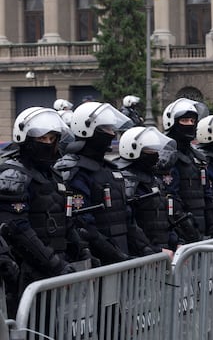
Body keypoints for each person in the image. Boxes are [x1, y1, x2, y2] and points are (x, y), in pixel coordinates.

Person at [0, 107, 90, 316]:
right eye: (43, 138)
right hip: (26, 275)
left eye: (52, 138)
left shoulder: (52, 175)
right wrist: (55, 265)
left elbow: (65, 218)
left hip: (54, 272)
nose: (49, 144)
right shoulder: (13, 174)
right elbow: (18, 230)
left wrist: (81, 249)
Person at [54, 102, 158, 265]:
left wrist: (147, 250)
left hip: (120, 261)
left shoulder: (110, 170)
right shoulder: (75, 171)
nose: (112, 133)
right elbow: (83, 226)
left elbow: (127, 220)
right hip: (96, 265)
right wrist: (116, 256)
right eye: (107, 129)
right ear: (88, 129)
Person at [158, 98, 213, 241]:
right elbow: (170, 199)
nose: (190, 124)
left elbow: (207, 195)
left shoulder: (197, 157)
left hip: (202, 231)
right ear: (171, 122)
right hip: (182, 235)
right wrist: (190, 233)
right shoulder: (166, 157)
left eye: (192, 121)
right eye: (185, 120)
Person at [115, 127, 178, 257]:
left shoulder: (153, 179)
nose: (155, 154)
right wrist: (151, 251)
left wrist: (176, 242)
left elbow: (165, 218)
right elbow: (130, 223)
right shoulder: (128, 180)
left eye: (156, 150)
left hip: (162, 254)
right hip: (143, 258)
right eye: (150, 150)